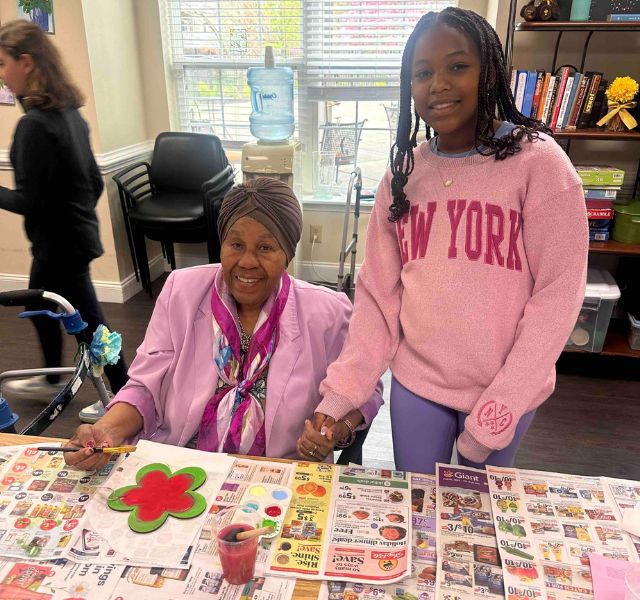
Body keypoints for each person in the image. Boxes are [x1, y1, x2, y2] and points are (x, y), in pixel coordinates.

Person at [315, 8, 588, 474]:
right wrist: (342, 393)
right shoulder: (402, 177)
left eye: (457, 66)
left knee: (474, 523)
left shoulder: (541, 165)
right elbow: (379, 299)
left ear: (490, 72)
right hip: (418, 384)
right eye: (423, 73)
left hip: (504, 388)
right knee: (417, 511)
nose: (438, 84)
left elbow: (558, 297)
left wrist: (499, 408)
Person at [64, 177, 383, 471]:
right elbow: (146, 389)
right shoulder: (181, 292)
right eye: (236, 244)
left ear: (287, 253)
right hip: (180, 463)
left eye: (265, 247)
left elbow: (365, 391)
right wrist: (107, 430)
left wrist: (334, 429)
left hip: (277, 474)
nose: (246, 261)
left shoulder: (327, 312)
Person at [0, 20, 128, 418]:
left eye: (3, 64)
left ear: (26, 62)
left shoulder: (33, 127)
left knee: (90, 323)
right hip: (73, 238)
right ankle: (53, 378)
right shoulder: (70, 115)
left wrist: (61, 218)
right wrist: (74, 215)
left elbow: (28, 202)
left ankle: (124, 392)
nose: (1, 74)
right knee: (42, 301)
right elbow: (93, 182)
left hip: (61, 246)